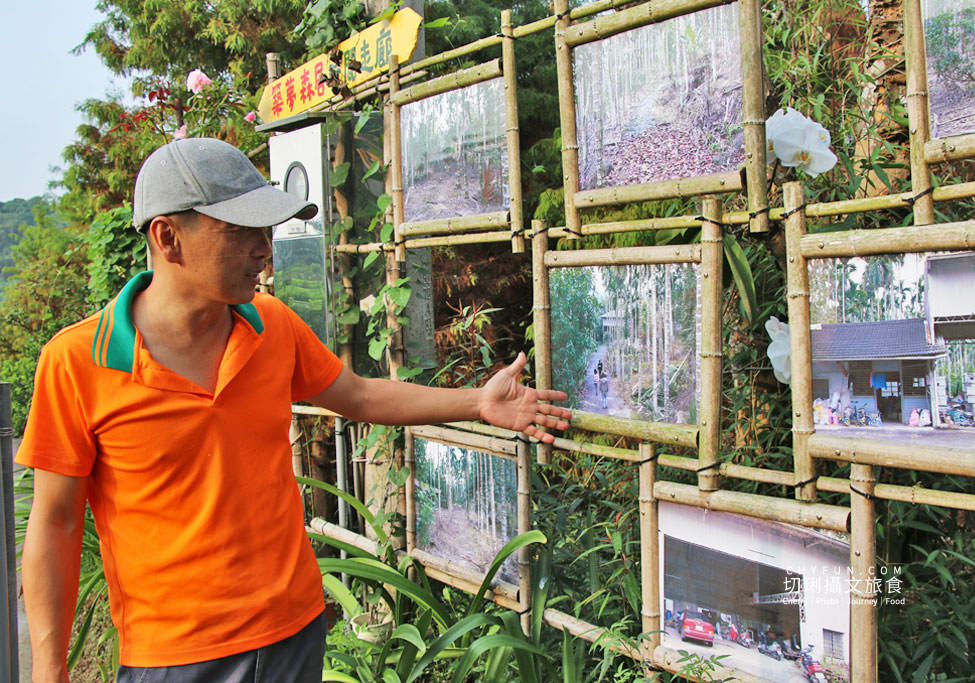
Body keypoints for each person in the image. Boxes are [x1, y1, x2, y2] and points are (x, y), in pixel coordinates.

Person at [17, 138, 571, 683]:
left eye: (266, 229)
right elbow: (57, 520)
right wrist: (48, 666)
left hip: (294, 632)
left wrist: (477, 401)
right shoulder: (75, 363)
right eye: (239, 231)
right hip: (174, 656)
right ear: (168, 237)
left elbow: (358, 395)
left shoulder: (271, 324)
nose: (264, 247)